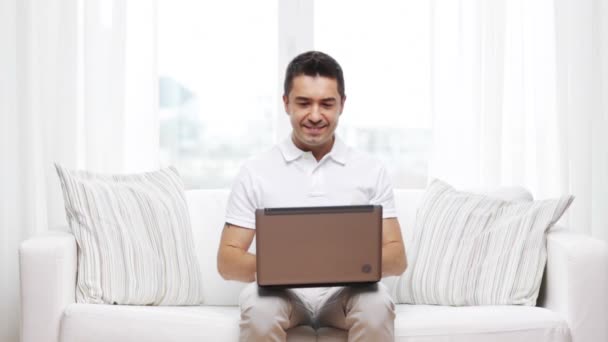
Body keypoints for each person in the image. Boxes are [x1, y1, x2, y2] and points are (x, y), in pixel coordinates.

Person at [217, 51, 407, 342]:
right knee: (259, 309)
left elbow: (397, 258)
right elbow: (228, 262)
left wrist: (338, 262)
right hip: (282, 294)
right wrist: (288, 264)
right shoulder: (255, 171)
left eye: (327, 104)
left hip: (345, 295)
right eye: (304, 103)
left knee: (376, 303)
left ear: (342, 104)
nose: (315, 115)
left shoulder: (371, 170)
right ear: (286, 103)